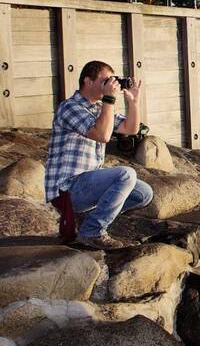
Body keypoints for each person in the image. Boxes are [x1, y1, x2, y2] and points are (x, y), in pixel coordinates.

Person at [44, 61, 153, 249]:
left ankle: (87, 218)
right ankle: (92, 232)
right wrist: (109, 101)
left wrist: (133, 103)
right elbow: (102, 135)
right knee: (126, 174)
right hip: (67, 188)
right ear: (88, 81)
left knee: (143, 194)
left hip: (87, 185)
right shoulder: (69, 107)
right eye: (105, 80)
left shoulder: (99, 108)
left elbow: (131, 128)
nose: (111, 84)